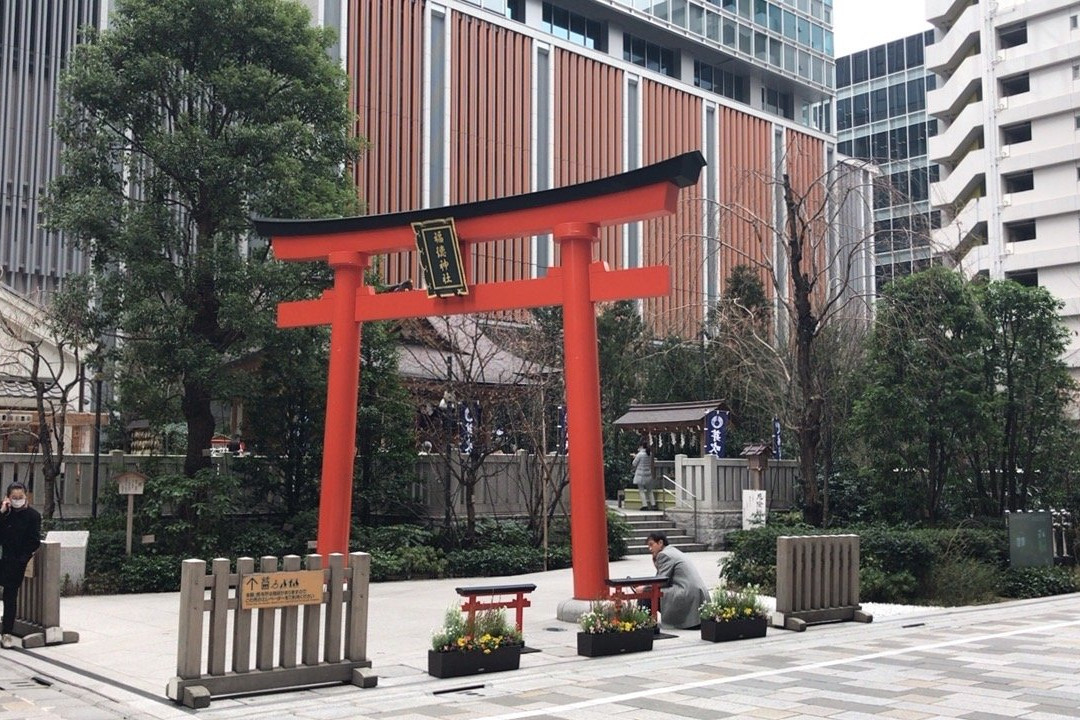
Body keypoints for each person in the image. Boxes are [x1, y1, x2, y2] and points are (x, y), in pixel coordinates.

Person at [0, 482, 42, 648]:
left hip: (16, 561)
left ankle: (7, 633)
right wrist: (2, 512)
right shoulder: (5, 513)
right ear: (7, 498)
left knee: (10, 597)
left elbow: (34, 541)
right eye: (14, 497)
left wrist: (22, 559)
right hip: (2, 557)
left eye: (20, 497)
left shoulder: (33, 516)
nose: (17, 500)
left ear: (26, 496)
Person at [644, 531, 709, 630]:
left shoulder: (664, 555)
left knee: (646, 593)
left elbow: (661, 581)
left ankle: (646, 626)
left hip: (686, 593)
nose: (650, 549)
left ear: (660, 543)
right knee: (651, 591)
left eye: (651, 545)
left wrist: (644, 588)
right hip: (697, 593)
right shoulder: (673, 551)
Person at [631, 440, 657, 510]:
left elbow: (634, 463)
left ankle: (645, 505)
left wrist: (634, 456)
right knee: (650, 490)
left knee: (641, 490)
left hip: (640, 475)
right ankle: (653, 505)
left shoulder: (639, 454)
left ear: (641, 446)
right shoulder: (649, 453)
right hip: (648, 474)